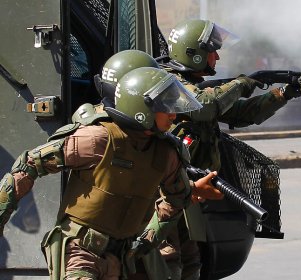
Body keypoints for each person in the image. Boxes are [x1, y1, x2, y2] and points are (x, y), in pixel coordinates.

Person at [0, 66, 225, 280]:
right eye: (164, 106)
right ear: (142, 108)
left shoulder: (167, 154)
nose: (173, 115)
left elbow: (177, 199)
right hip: (80, 253)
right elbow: (28, 165)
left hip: (118, 258)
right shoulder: (97, 139)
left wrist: (147, 241)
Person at [158, 19, 301, 280]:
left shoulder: (193, 84)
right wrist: (243, 83)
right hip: (167, 198)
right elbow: (206, 106)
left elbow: (245, 114)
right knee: (168, 265)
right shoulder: (169, 84)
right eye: (213, 50)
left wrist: (286, 93)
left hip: (191, 197)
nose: (217, 56)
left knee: (191, 267)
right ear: (195, 53)